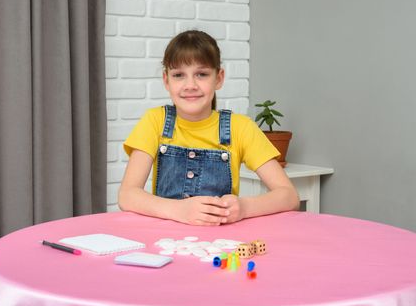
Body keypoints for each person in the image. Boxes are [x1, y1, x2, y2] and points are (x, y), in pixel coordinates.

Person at [118, 30, 299, 226]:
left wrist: (244, 207)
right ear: (166, 80)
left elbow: (289, 196)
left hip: (220, 244)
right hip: (166, 240)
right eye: (178, 75)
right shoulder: (154, 121)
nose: (190, 85)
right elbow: (127, 195)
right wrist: (179, 210)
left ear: (219, 78)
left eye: (201, 74)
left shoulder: (241, 127)